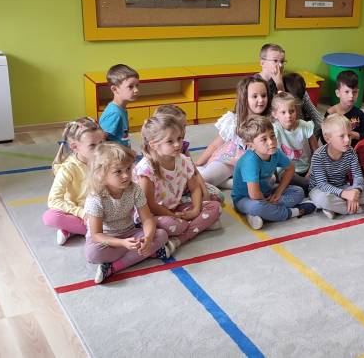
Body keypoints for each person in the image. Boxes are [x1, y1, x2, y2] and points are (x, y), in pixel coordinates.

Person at [135, 115, 222, 256]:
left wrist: (195, 210)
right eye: (170, 141)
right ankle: (194, 226)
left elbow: (195, 188)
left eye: (179, 138)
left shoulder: (183, 160)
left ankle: (178, 239)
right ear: (153, 145)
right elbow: (149, 204)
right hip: (152, 215)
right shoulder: (146, 169)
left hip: (176, 208)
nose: (177, 144)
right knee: (175, 225)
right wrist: (173, 216)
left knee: (215, 206)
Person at [83, 142, 169, 284]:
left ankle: (113, 266)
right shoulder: (95, 197)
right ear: (100, 174)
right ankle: (147, 253)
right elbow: (96, 235)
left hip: (130, 233)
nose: (126, 175)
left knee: (161, 235)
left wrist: (147, 238)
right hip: (107, 239)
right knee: (92, 254)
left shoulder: (134, 189)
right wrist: (123, 244)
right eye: (118, 172)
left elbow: (147, 219)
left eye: (128, 169)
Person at [233, 115, 316, 230]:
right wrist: (265, 203)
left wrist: (278, 192)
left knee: (298, 192)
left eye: (272, 136)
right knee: (258, 207)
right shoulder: (250, 162)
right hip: (245, 199)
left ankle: (263, 214)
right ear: (251, 145)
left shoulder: (276, 152)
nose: (271, 142)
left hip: (267, 193)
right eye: (264, 139)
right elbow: (254, 195)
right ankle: (295, 212)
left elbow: (290, 169)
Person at [195, 74, 270, 188]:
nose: (261, 100)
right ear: (244, 98)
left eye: (264, 95)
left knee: (268, 182)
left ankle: (224, 183)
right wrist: (198, 162)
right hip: (229, 159)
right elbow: (216, 144)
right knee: (205, 179)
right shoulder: (234, 120)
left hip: (252, 164)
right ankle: (201, 172)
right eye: (255, 96)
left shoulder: (269, 122)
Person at [44, 117, 105, 245]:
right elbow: (53, 200)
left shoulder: (105, 159)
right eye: (92, 145)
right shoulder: (68, 168)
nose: (99, 149)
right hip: (81, 213)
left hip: (103, 211)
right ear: (75, 147)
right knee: (50, 217)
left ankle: (74, 230)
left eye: (101, 143)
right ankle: (96, 231)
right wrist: (82, 213)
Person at [309, 114, 364, 219]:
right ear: (327, 138)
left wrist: (355, 191)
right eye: (342, 136)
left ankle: (336, 209)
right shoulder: (318, 155)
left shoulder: (350, 152)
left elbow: (358, 176)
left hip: (342, 186)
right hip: (320, 190)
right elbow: (322, 184)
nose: (347, 140)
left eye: (349, 135)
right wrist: (345, 194)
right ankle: (360, 208)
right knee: (322, 199)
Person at [259, 44, 324, 133]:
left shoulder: (288, 81)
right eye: (275, 61)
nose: (280, 65)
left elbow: (316, 117)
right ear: (263, 63)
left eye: (282, 61)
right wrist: (279, 83)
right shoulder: (254, 84)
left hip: (297, 129)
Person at [271, 92, 319, 193]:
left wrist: (310, 171)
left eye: (291, 111)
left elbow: (317, 151)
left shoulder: (305, 126)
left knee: (323, 169)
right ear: (275, 114)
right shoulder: (274, 130)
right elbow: (272, 155)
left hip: (306, 168)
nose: (288, 115)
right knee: (289, 177)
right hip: (285, 171)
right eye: (283, 112)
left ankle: (306, 186)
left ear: (296, 111)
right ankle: (308, 185)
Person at [99, 64, 140, 147]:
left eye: (137, 86)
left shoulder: (120, 109)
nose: (136, 90)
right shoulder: (114, 113)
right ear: (115, 89)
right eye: (130, 86)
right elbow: (101, 141)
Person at [326, 70, 364, 146]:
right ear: (338, 93)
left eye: (354, 92)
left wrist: (355, 135)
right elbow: (325, 138)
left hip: (355, 150)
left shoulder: (360, 114)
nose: (351, 96)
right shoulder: (331, 113)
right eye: (347, 92)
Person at [283, 72, 325, 137]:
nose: (297, 104)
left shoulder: (303, 94)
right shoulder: (281, 99)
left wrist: (310, 137)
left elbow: (319, 120)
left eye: (298, 102)